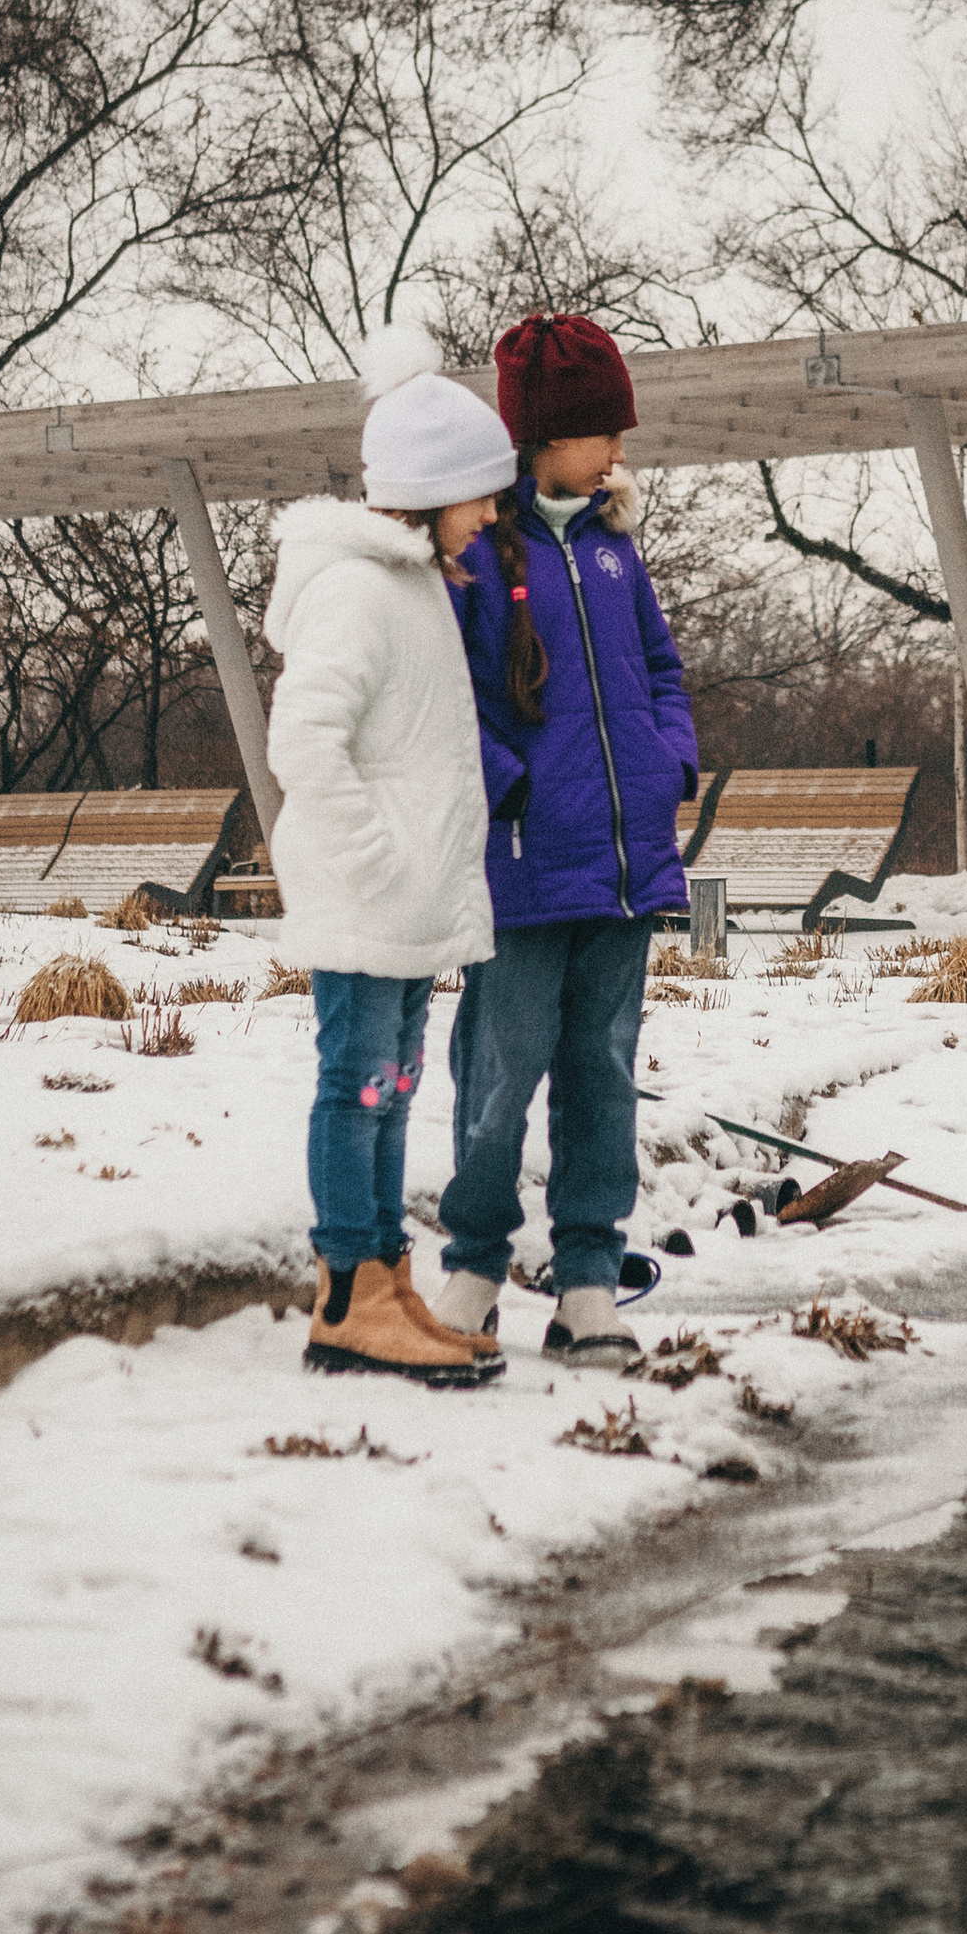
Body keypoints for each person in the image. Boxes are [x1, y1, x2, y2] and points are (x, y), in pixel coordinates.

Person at [429, 309, 698, 1372]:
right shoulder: (478, 559)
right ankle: (474, 1272)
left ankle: (588, 1281)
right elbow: (450, 701)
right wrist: (513, 794)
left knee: (602, 1073)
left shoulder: (618, 556)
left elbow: (665, 676)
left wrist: (668, 763)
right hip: (529, 869)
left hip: (627, 873)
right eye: (604, 433)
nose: (619, 453)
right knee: (500, 1073)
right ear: (547, 436)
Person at [262, 326, 516, 1385]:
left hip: (405, 905)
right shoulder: (359, 591)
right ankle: (345, 1297)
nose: (493, 517)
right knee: (356, 1084)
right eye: (479, 497)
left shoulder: (416, 584)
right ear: (425, 493)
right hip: (370, 900)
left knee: (393, 1088)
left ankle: (382, 1279)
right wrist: (372, 862)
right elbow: (301, 741)